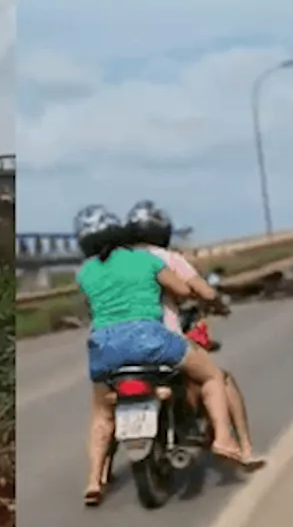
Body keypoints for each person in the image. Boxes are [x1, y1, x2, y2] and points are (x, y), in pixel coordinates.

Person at [74, 206, 259, 508]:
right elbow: (184, 291)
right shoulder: (146, 260)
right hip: (150, 338)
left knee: (101, 414)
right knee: (212, 376)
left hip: (103, 346)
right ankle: (224, 438)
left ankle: (94, 480)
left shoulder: (85, 272)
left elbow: (90, 305)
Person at [124, 200, 264, 469]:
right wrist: (218, 304)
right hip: (162, 341)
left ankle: (98, 475)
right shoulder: (167, 259)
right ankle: (239, 446)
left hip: (119, 347)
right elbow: (202, 291)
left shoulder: (115, 263)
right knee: (219, 378)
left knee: (103, 410)